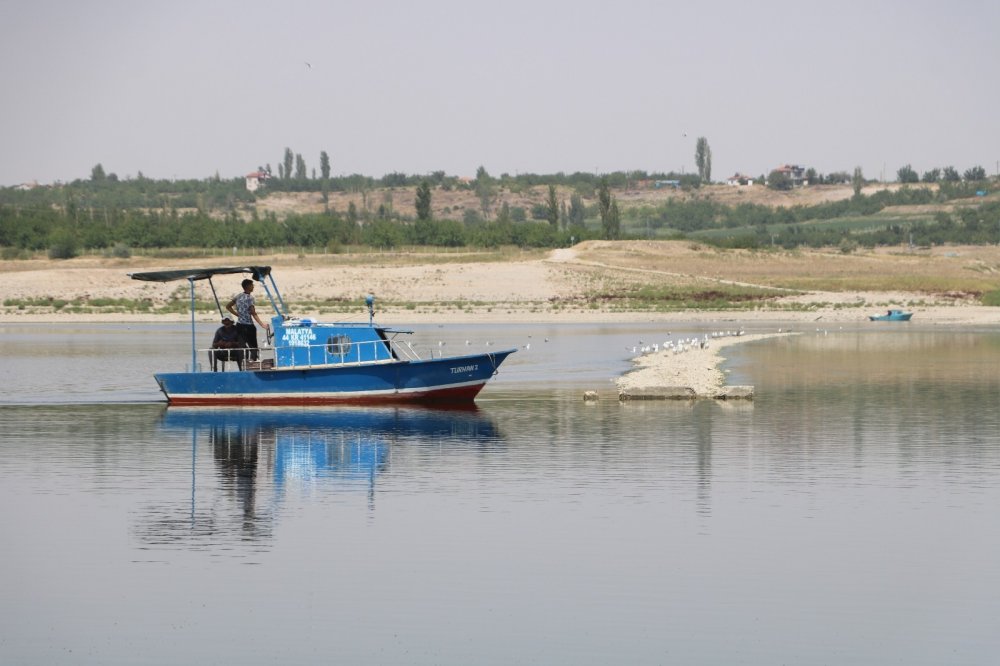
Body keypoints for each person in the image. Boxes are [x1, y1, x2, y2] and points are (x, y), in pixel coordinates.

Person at [226, 278, 270, 361]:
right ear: (247, 286)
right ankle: (253, 362)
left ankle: (243, 363)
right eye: (252, 285)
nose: (253, 287)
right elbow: (253, 313)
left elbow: (228, 306)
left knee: (242, 346)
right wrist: (262, 324)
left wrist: (238, 315)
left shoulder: (238, 296)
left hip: (239, 325)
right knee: (253, 346)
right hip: (248, 326)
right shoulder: (250, 298)